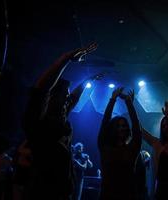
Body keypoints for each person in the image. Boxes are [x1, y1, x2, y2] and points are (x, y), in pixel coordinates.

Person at [22, 42, 103, 200]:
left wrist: (89, 79)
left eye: (67, 96)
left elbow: (73, 97)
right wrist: (65, 59)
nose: (68, 99)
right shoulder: (39, 120)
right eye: (64, 96)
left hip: (64, 192)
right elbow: (41, 90)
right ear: (51, 98)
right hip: (42, 192)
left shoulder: (62, 118)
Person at [98, 88, 142, 200]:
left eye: (124, 126)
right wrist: (112, 99)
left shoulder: (131, 149)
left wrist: (129, 103)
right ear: (112, 128)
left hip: (128, 195)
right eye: (118, 126)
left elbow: (137, 128)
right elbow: (105, 122)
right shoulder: (105, 146)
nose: (121, 128)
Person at [141, 102, 168, 200]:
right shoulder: (157, 144)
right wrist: (130, 106)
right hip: (161, 190)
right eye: (163, 126)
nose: (166, 128)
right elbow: (140, 131)